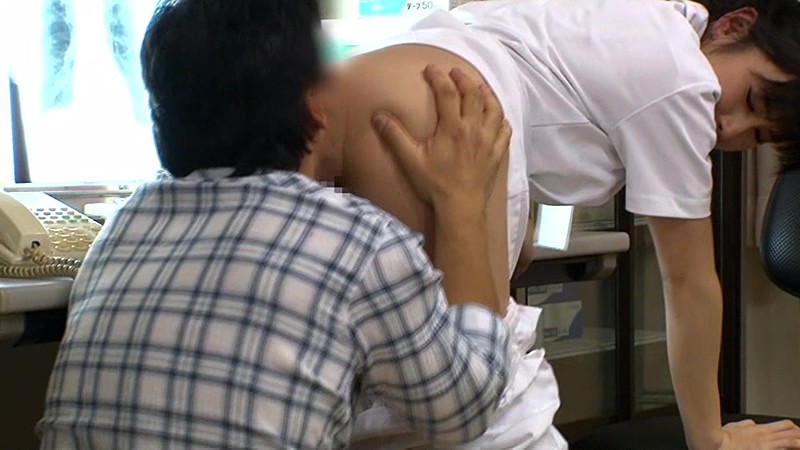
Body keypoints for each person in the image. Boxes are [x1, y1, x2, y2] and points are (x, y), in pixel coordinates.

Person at [315, 0, 800, 449]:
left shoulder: (639, 19)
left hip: (367, 77)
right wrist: (713, 439)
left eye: (757, 136)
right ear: (734, 25)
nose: (731, 127)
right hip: (455, 114)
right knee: (491, 409)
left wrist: (518, 223)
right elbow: (690, 282)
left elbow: (542, 87)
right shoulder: (687, 83)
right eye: (751, 100)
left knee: (341, 370)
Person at [35, 0, 518, 447]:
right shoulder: (361, 244)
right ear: (315, 104)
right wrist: (462, 205)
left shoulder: (118, 231)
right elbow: (463, 410)